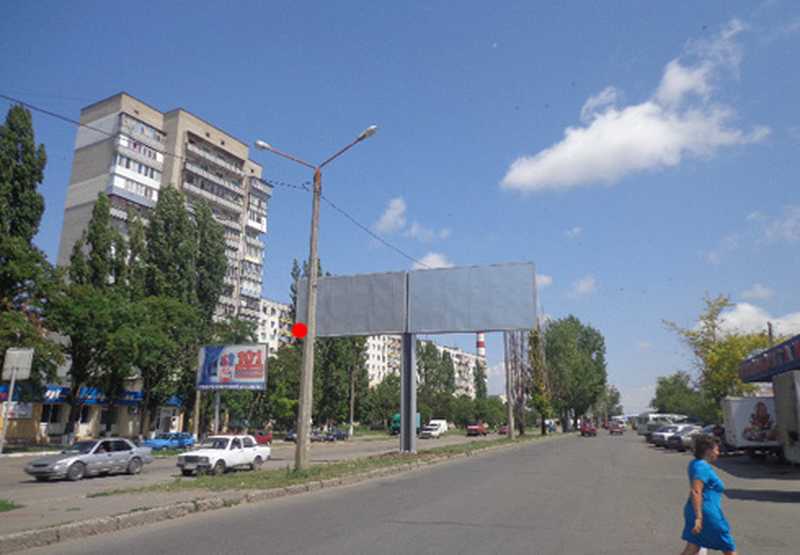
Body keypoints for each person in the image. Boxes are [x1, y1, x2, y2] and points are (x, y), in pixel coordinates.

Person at [679, 435, 737, 555]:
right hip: (706, 513)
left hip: (696, 510)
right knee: (728, 547)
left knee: (693, 547)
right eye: (716, 449)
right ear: (708, 451)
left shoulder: (695, 463)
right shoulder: (702, 467)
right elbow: (696, 491)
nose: (718, 453)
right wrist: (699, 518)